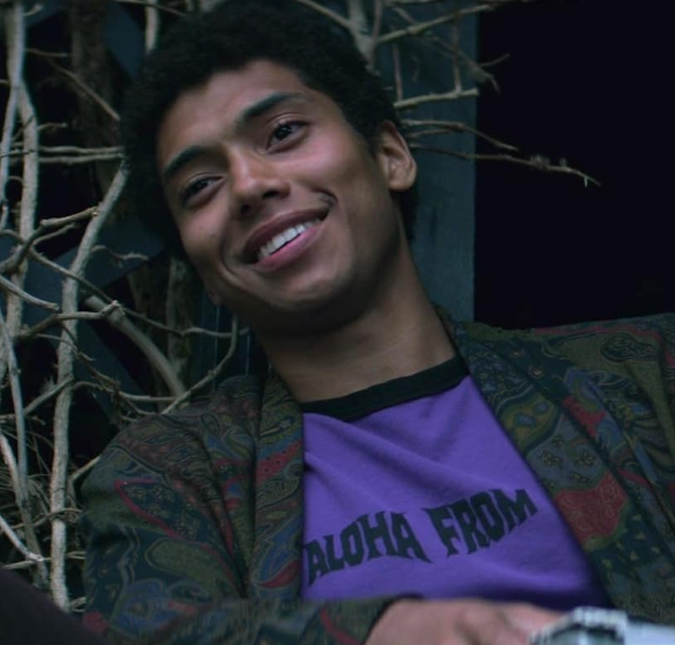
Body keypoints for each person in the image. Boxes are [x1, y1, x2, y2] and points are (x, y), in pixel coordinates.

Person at [79, 2, 675, 644]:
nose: (248, 185)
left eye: (283, 132)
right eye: (200, 186)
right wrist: (386, 631)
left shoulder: (646, 372)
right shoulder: (171, 472)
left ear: (390, 155)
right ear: (206, 276)